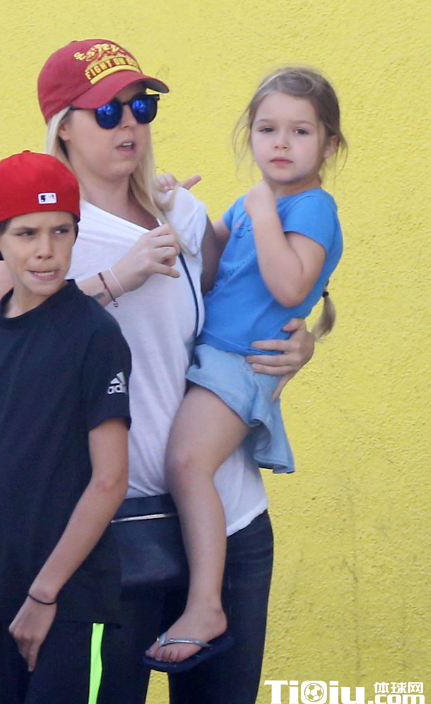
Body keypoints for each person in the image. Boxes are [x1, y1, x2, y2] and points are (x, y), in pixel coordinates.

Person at [0, 39, 315, 704]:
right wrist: (112, 279)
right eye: (107, 111)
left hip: (228, 517)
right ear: (63, 127)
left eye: (141, 105)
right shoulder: (45, 231)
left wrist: (298, 342)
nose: (129, 122)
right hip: (109, 533)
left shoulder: (179, 212)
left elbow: (236, 310)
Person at [144, 67, 346, 671]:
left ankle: (206, 605)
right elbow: (208, 269)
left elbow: (290, 286)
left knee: (187, 463)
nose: (281, 143)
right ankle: (202, 598)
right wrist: (173, 205)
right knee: (185, 463)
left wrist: (260, 213)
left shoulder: (313, 208)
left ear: (328, 145)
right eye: (267, 129)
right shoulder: (252, 203)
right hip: (216, 353)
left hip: (243, 361)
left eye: (300, 131)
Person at [0, 151, 132, 704]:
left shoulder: (94, 334)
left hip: (72, 605)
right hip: (0, 602)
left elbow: (110, 480)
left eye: (60, 231)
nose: (46, 249)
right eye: (27, 233)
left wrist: (45, 595)